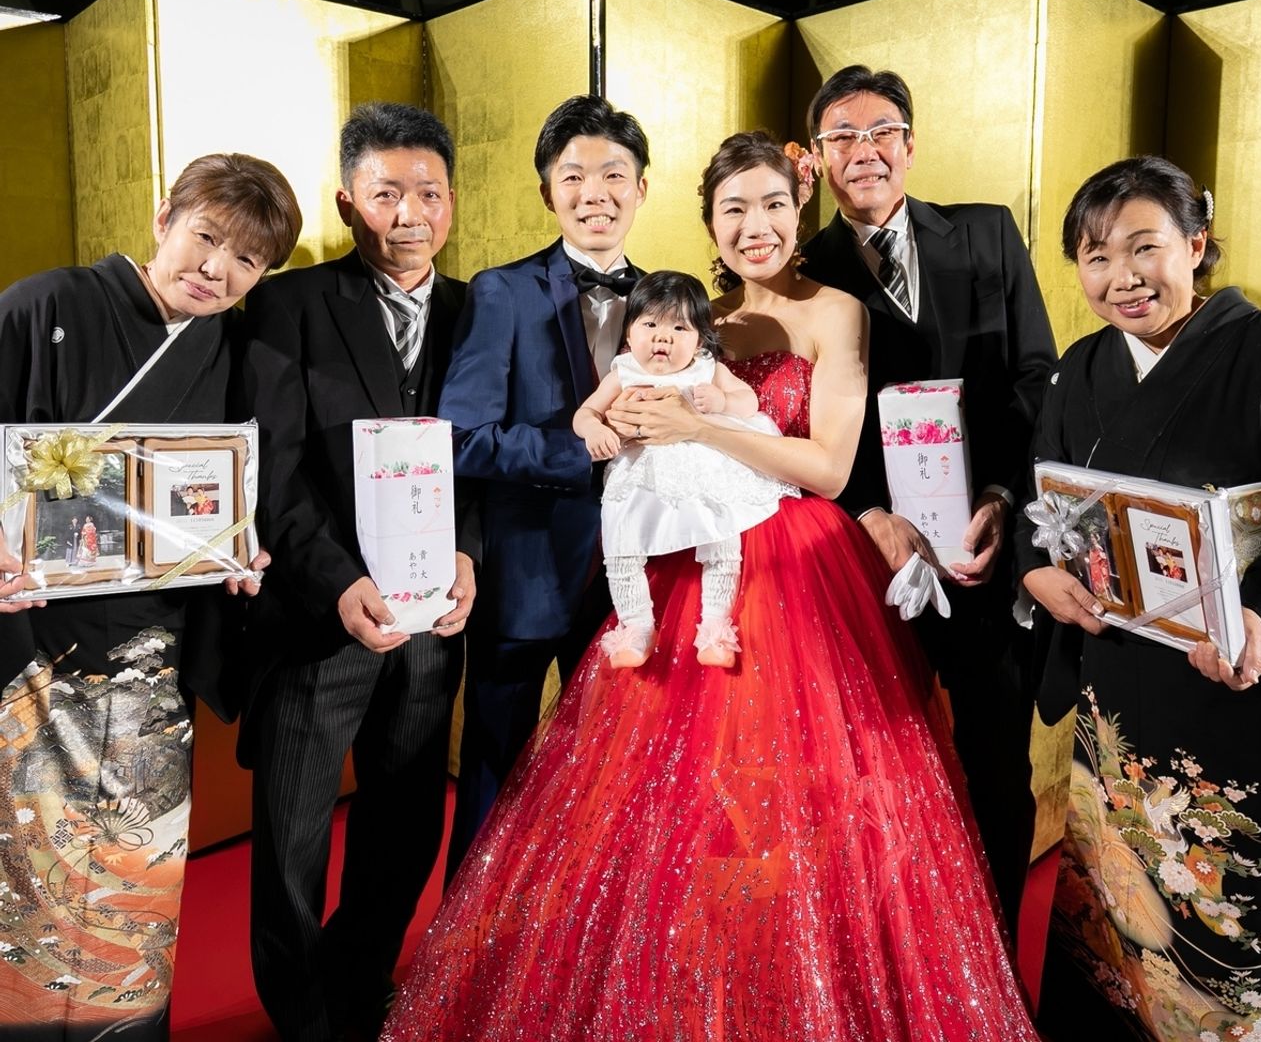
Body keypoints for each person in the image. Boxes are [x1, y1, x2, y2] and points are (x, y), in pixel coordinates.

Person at [381, 131, 1038, 1042]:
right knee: (662, 804)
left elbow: (828, 467)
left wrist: (700, 428)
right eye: (734, 209)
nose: (755, 224)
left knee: (802, 798)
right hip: (677, 559)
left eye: (773, 205)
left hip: (798, 565)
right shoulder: (694, 318)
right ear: (708, 222)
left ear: (801, 211)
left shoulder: (837, 311)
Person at [0, 152, 300, 1041]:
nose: (216, 270)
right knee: (25, 867)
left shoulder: (228, 348)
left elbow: (220, 495)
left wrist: (235, 551)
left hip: (149, 663)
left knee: (139, 875)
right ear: (164, 215)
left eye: (246, 260)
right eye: (205, 237)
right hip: (29, 648)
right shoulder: (44, 305)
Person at [1015, 155, 1261, 1041]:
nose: (1121, 277)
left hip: (1230, 679)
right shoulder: (1079, 369)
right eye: (1095, 258)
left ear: (1196, 244)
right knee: (1114, 902)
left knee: (1226, 889)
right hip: (1116, 676)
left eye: (1144, 248)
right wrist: (1034, 571)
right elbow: (1041, 505)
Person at [236, 102, 477, 1042]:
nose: (410, 213)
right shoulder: (288, 305)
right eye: (386, 194)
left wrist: (470, 554)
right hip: (318, 620)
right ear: (348, 202)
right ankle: (302, 1018)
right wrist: (337, 581)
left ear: (451, 199)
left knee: (406, 824)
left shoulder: (473, 311)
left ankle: (361, 976)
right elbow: (274, 469)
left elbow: (482, 461)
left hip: (430, 624)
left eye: (429, 192)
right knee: (292, 838)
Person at [801, 64, 1057, 934]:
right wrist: (868, 515)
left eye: (881, 131)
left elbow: (1035, 375)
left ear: (910, 145)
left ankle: (996, 957)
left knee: (997, 770)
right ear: (819, 158)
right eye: (842, 136)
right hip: (867, 565)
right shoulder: (803, 267)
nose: (864, 150)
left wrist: (1001, 495)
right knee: (873, 779)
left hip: (985, 550)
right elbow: (798, 425)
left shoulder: (986, 233)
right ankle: (896, 954)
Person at [437, 94, 650, 869]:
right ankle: (471, 943)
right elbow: (461, 438)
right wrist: (576, 449)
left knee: (621, 782)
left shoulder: (670, 298)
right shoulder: (502, 291)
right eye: (573, 177)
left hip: (637, 582)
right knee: (495, 776)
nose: (595, 194)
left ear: (641, 188)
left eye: (614, 175)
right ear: (547, 192)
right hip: (525, 576)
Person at [573, 269, 796, 669]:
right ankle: (636, 625)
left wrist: (723, 402)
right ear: (630, 334)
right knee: (621, 543)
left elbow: (748, 401)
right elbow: (585, 412)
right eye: (650, 325)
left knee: (721, 538)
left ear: (700, 340)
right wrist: (594, 428)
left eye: (679, 328)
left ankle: (715, 624)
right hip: (640, 473)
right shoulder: (624, 371)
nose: (664, 338)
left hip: (701, 471)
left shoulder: (706, 369)